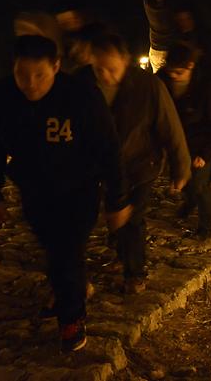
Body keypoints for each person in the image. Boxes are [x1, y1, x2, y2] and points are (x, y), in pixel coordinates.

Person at [0, 35, 130, 352]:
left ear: (57, 67)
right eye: (23, 75)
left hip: (79, 189)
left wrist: (117, 198)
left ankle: (72, 316)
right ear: (14, 69)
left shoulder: (80, 96)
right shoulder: (2, 97)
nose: (31, 84)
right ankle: (70, 289)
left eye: (40, 75)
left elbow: (108, 147)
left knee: (67, 248)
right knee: (54, 249)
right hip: (35, 190)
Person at [84, 32, 191, 294]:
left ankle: (135, 272)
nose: (107, 76)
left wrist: (181, 166)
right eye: (100, 69)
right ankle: (120, 255)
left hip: (141, 164)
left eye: (112, 69)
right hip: (103, 167)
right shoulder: (84, 84)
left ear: (125, 60)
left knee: (133, 219)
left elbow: (170, 125)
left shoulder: (148, 85)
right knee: (114, 214)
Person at [158, 42, 211, 240]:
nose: (173, 76)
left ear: (190, 66)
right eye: (171, 71)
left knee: (199, 185)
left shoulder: (205, 86)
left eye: (178, 72)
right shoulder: (162, 80)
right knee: (183, 179)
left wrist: (205, 155)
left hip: (200, 143)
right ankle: (189, 203)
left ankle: (205, 227)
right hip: (176, 142)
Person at [143, 0, 188, 73]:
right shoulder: (174, 4)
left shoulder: (149, 4)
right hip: (171, 50)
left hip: (155, 50)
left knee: (160, 83)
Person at [174, 7, 211, 90]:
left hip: (208, 82)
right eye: (180, 20)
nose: (184, 23)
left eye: (187, 19)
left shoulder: (206, 37)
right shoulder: (178, 38)